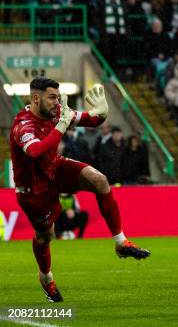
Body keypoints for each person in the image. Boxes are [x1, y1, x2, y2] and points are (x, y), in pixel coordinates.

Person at [9, 78, 150, 302]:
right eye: (52, 97)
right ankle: (46, 277)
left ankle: (121, 242)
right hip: (33, 190)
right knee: (46, 236)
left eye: (58, 97)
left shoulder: (57, 113)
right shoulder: (23, 125)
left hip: (56, 169)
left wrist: (102, 113)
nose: (57, 102)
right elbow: (35, 151)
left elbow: (91, 120)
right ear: (36, 98)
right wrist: (61, 126)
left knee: (99, 180)